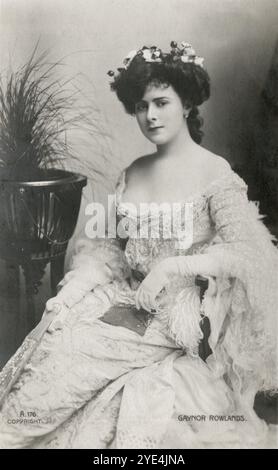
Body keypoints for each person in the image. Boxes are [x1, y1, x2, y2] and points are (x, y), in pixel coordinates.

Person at [0, 41, 277, 449]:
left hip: (178, 316)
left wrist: (171, 268)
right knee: (56, 337)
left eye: (162, 102)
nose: (150, 115)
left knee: (77, 354)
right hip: (125, 299)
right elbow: (106, 251)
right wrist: (71, 293)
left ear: (186, 105)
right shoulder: (133, 172)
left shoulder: (215, 174)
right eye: (142, 105)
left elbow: (251, 254)